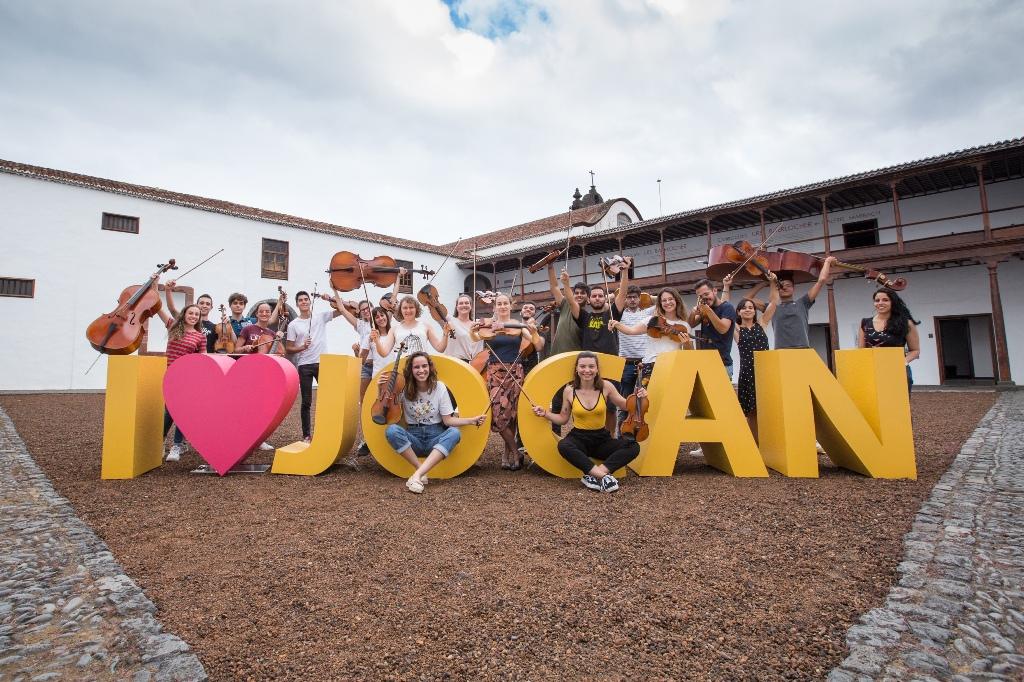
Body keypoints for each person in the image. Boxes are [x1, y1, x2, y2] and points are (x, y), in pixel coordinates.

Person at [532, 351, 643, 493]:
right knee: (564, 446)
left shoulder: (606, 386)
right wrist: (545, 413)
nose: (587, 370)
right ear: (576, 369)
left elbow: (625, 405)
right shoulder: (569, 390)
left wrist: (639, 396)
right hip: (579, 438)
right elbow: (563, 419)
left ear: (597, 369)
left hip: (602, 439)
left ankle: (595, 474)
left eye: (591, 366)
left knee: (633, 447)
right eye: (583, 366)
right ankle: (604, 477)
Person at [382, 352, 486, 494]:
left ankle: (417, 475)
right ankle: (420, 470)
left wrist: (471, 420)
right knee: (392, 431)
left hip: (435, 439)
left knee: (454, 433)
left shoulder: (439, 387)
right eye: (416, 367)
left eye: (424, 366)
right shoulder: (404, 389)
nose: (421, 370)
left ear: (430, 368)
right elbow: (385, 405)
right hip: (414, 440)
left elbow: (448, 420)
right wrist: (380, 385)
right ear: (411, 370)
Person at [471, 293, 540, 470]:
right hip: (495, 371)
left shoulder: (517, 325)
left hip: (515, 371)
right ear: (495, 307)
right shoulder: (489, 326)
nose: (502, 306)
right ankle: (516, 451)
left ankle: (506, 454)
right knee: (498, 415)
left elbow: (537, 344)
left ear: (511, 306)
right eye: (499, 304)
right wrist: (473, 329)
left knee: (512, 414)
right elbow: (475, 338)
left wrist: (534, 332)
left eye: (505, 303)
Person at [285, 290, 343, 443]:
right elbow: (289, 348)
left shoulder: (320, 317)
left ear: (310, 301)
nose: (304, 302)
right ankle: (306, 435)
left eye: (306, 299)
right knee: (306, 402)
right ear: (297, 304)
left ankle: (327, 432)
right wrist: (302, 347)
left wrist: (329, 298)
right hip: (304, 365)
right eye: (300, 300)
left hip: (322, 363)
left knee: (327, 399)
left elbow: (344, 309)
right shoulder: (293, 325)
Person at [610, 288, 694, 385]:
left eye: (671, 299)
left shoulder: (684, 325)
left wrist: (686, 343)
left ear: (677, 300)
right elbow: (631, 331)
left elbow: (690, 352)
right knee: (648, 399)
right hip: (651, 365)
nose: (667, 302)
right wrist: (616, 324)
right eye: (664, 300)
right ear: (660, 303)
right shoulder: (652, 320)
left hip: (673, 365)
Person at [156, 303, 207, 461]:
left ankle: (176, 445)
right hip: (169, 374)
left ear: (199, 318)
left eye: (196, 315)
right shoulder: (173, 326)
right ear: (184, 314)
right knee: (169, 411)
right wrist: (161, 286)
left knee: (182, 412)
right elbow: (159, 308)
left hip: (187, 377)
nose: (193, 316)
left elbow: (203, 358)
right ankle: (161, 441)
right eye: (190, 313)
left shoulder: (200, 336)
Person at [733, 273, 780, 440]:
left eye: (751, 307)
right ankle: (755, 442)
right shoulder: (736, 329)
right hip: (748, 373)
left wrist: (772, 282)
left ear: (754, 311)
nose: (748, 309)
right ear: (738, 312)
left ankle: (771, 440)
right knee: (752, 411)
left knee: (769, 407)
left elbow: (774, 302)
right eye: (744, 307)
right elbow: (725, 304)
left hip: (765, 372)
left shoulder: (762, 324)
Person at [857, 288, 920, 392]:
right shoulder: (865, 323)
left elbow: (915, 351)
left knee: (898, 405)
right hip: (873, 370)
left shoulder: (906, 323)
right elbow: (861, 350)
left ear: (893, 302)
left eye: (885, 300)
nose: (880, 303)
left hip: (897, 369)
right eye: (877, 300)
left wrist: (901, 363)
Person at [615, 284, 656, 431]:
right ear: (625, 299)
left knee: (644, 401)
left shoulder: (647, 313)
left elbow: (662, 302)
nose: (632, 300)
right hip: (625, 363)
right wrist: (618, 294)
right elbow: (609, 302)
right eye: (629, 297)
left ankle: (640, 433)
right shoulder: (619, 314)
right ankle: (621, 434)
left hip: (644, 363)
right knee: (625, 402)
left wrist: (647, 297)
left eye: (635, 297)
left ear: (639, 299)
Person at [772, 256, 836, 349]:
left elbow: (821, 281)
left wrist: (827, 262)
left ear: (794, 288)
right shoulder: (772, 308)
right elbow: (748, 299)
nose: (784, 287)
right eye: (781, 286)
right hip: (781, 351)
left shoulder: (803, 303)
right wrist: (768, 282)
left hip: (802, 349)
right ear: (777, 289)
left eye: (788, 285)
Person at [687, 278, 737, 378]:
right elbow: (691, 325)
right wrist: (693, 313)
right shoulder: (704, 308)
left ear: (714, 291)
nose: (704, 298)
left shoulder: (727, 307)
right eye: (700, 296)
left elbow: (723, 329)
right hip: (705, 361)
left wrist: (708, 311)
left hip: (722, 363)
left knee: (722, 393)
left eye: (706, 294)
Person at [375, 295, 451, 357]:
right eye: (405, 308)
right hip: (402, 369)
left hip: (421, 369)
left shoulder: (426, 326)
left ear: (416, 309)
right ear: (400, 310)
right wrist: (377, 341)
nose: (408, 310)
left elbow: (440, 348)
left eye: (411, 307)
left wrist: (445, 334)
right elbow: (384, 353)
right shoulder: (394, 329)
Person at [164, 280, 217, 352]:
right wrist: (168, 290)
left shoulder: (215, 327)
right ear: (196, 304)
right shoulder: (185, 320)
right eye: (201, 303)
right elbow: (172, 309)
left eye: (208, 304)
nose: (204, 306)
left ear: (211, 307)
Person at [444, 293, 483, 364]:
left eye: (466, 303)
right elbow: (437, 313)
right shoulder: (450, 320)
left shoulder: (477, 323)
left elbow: (494, 319)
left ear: (471, 306)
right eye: (461, 303)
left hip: (475, 364)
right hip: (454, 361)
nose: (464, 305)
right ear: (456, 306)